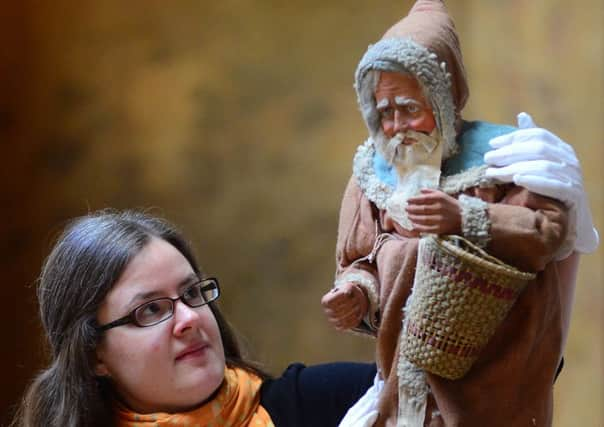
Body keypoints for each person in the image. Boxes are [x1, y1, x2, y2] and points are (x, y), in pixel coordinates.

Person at [321, 1, 598, 426]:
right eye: (385, 112)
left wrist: (466, 218)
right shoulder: (370, 176)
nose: (397, 126)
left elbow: (550, 233)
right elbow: (360, 259)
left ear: (444, 97)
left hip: (495, 383)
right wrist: (356, 293)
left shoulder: (501, 158)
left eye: (410, 108)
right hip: (404, 377)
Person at [12, 209, 377, 427]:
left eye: (190, 293)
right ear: (95, 355)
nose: (189, 318)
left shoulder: (332, 401)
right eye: (150, 309)